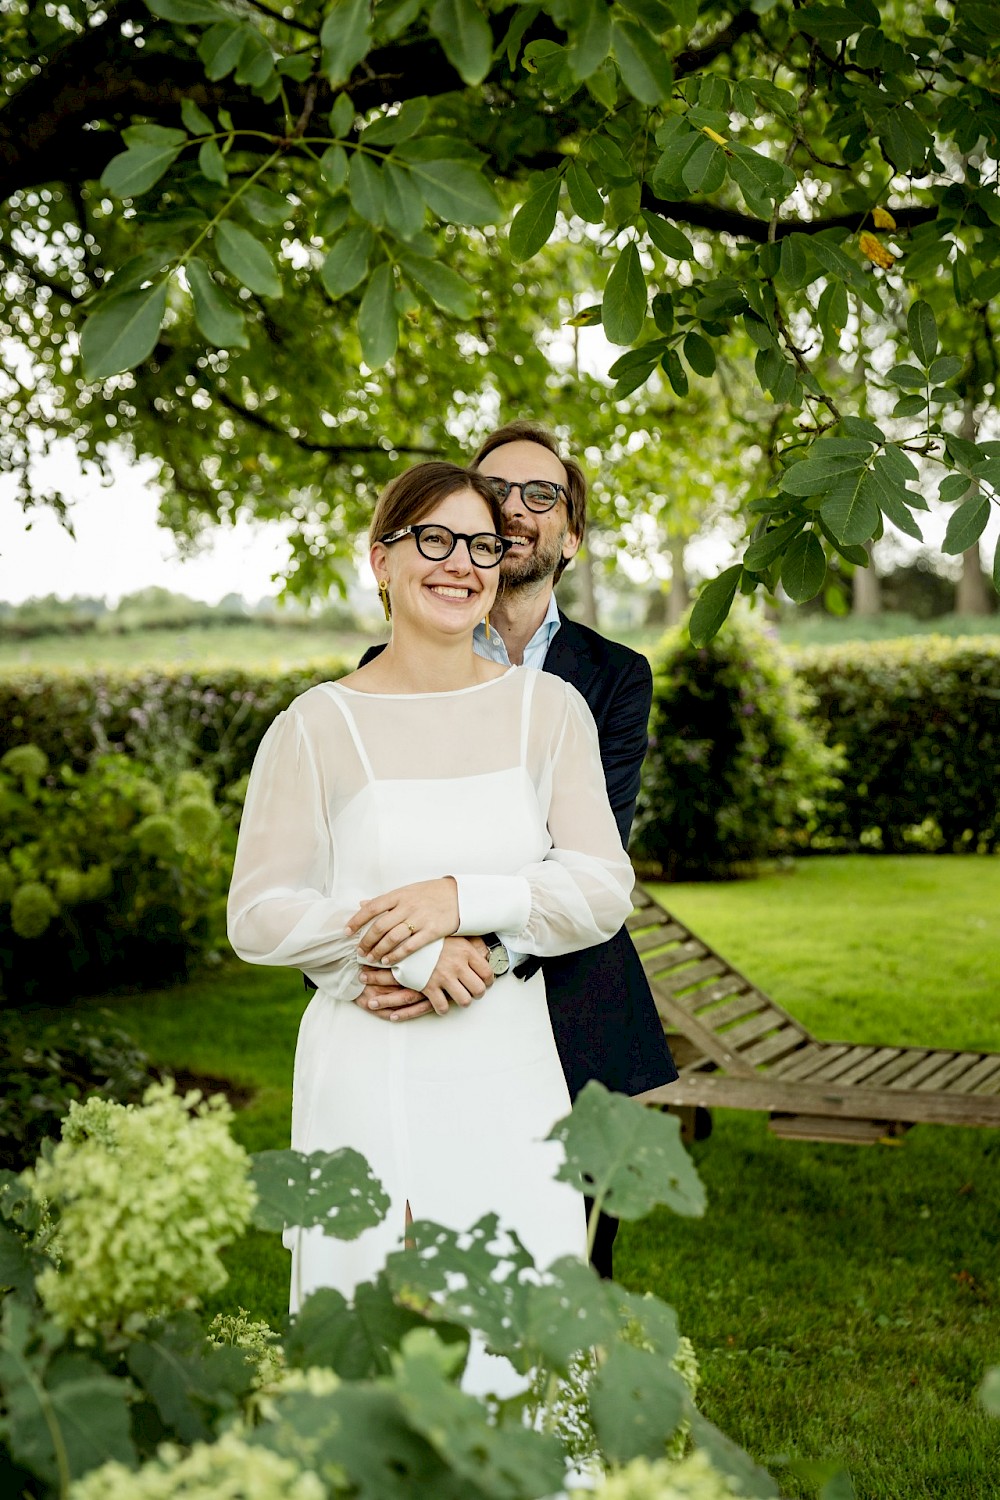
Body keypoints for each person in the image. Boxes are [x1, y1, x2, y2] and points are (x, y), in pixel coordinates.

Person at [227, 461, 636, 1393]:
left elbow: (602, 888)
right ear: (381, 560)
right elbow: (259, 912)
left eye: (483, 546)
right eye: (434, 541)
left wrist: (464, 901)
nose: (462, 564)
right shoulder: (316, 725)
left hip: (510, 1069)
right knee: (375, 1342)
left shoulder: (550, 711)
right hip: (368, 1067)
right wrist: (409, 951)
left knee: (519, 1342)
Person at [355, 422, 678, 1279]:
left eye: (544, 495)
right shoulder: (381, 668)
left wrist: (480, 945)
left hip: (572, 995)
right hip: (429, 999)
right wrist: (428, 953)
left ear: (570, 534)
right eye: (497, 489)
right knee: (433, 1253)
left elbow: (590, 854)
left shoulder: (613, 677)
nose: (516, 507)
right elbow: (382, 850)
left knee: (573, 1257)